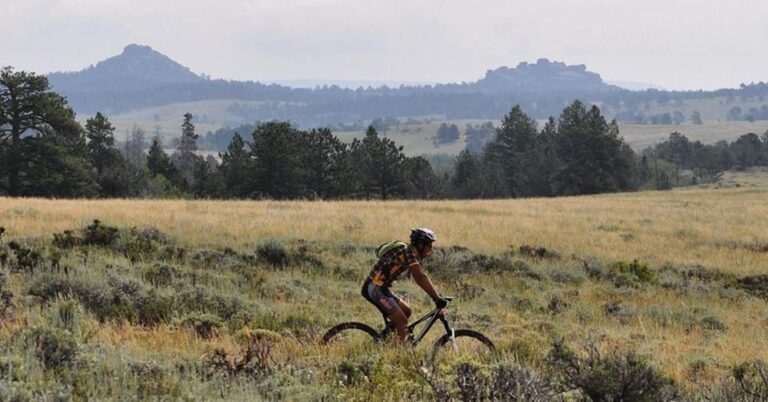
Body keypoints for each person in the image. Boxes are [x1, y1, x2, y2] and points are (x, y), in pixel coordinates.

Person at [361, 227, 447, 342]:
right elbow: (420, 277)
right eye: (429, 245)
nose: (430, 249)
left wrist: (436, 295)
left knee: (406, 311)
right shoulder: (408, 252)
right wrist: (436, 298)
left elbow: (420, 277)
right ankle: (397, 354)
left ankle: (384, 340)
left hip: (381, 288)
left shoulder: (408, 252)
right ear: (420, 245)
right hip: (374, 288)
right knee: (401, 321)